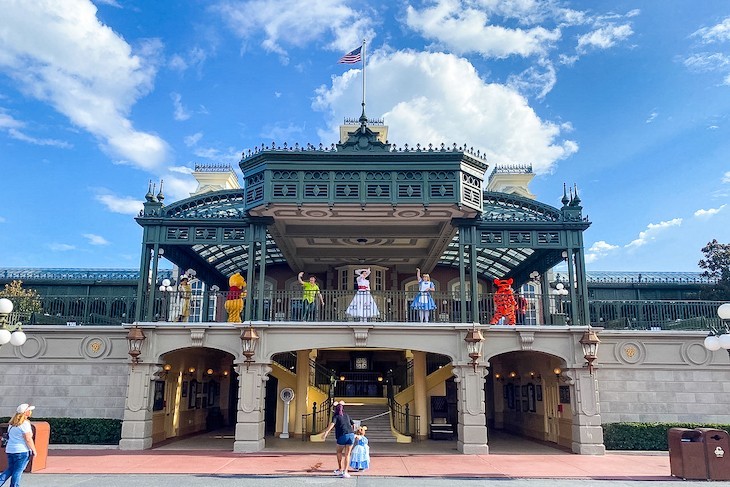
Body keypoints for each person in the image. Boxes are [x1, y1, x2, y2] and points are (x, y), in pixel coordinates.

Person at [0, 403, 37, 487]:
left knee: (10, 469)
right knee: (18, 471)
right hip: (22, 451)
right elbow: (28, 438)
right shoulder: (25, 424)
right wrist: (34, 450)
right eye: (29, 410)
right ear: (25, 412)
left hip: (10, 450)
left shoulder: (12, 424)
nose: (30, 412)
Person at [321, 401, 355, 478]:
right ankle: (345, 472)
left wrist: (326, 433)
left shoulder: (335, 416)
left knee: (339, 452)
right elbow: (353, 424)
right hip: (351, 435)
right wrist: (352, 431)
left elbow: (331, 425)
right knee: (347, 454)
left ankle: (340, 469)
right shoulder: (346, 415)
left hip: (342, 435)